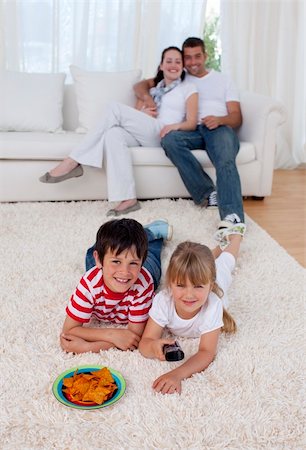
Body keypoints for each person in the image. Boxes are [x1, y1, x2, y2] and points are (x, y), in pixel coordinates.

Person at [39, 46, 198, 216]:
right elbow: (136, 113)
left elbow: (192, 123)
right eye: (169, 61)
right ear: (161, 65)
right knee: (112, 133)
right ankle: (128, 199)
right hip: (146, 131)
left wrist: (174, 126)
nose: (173, 65)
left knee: (113, 107)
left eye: (177, 61)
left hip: (165, 133)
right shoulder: (153, 89)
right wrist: (142, 114)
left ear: (182, 67)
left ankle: (73, 160)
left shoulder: (188, 88)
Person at [134, 37, 245, 230]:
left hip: (217, 129)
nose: (193, 62)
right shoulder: (179, 76)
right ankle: (207, 193)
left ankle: (232, 219)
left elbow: (237, 117)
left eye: (197, 57)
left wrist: (219, 119)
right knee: (169, 140)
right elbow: (140, 85)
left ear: (206, 56)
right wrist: (147, 99)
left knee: (225, 160)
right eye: (188, 58)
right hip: (193, 130)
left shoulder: (223, 80)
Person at [138, 223, 246, 395]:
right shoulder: (163, 300)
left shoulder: (214, 303)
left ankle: (235, 237)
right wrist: (153, 346)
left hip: (218, 281)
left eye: (197, 287)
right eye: (180, 285)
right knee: (198, 266)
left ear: (210, 286)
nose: (189, 295)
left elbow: (207, 352)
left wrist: (177, 374)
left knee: (225, 263)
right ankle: (215, 249)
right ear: (170, 283)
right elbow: (145, 342)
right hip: (202, 274)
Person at [60, 218, 172, 354]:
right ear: (99, 260)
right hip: (102, 270)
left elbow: (133, 338)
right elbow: (69, 330)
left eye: (133, 263)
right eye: (116, 261)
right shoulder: (89, 284)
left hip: (148, 268)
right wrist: (111, 334)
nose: (125, 272)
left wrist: (88, 348)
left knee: (150, 251)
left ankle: (150, 232)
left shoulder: (143, 285)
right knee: (93, 254)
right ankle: (139, 237)